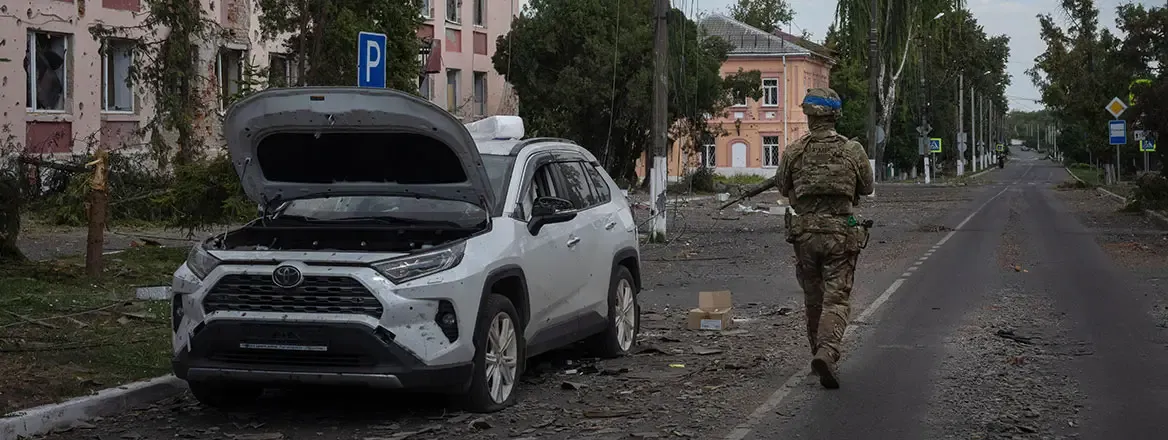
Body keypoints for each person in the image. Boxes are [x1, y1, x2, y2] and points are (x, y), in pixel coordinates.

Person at [775, 88, 874, 389]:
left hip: (804, 235)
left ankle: (815, 353)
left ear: (808, 116)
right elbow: (867, 187)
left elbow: (782, 186)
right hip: (840, 236)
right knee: (836, 298)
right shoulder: (852, 150)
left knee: (812, 299)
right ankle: (827, 352)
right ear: (835, 115)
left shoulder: (793, 151)